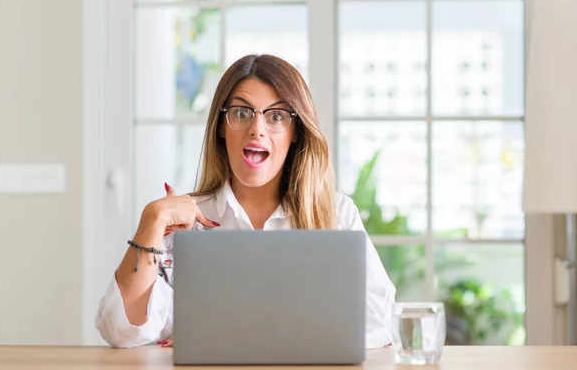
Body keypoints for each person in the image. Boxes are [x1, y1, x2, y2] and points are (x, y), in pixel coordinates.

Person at [95, 54, 396, 349]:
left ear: (295, 132)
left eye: (276, 116)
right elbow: (121, 331)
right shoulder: (183, 223)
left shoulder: (336, 214)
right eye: (241, 113)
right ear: (221, 127)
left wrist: (240, 333)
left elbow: (379, 320)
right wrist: (151, 220)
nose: (257, 129)